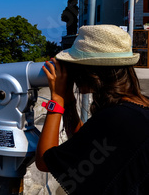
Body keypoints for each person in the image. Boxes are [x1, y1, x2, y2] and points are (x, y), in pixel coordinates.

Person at [35, 25, 149, 194]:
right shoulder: (135, 110)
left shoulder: (116, 118)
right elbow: (85, 145)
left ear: (90, 72)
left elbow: (45, 161)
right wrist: (69, 102)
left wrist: (56, 100)